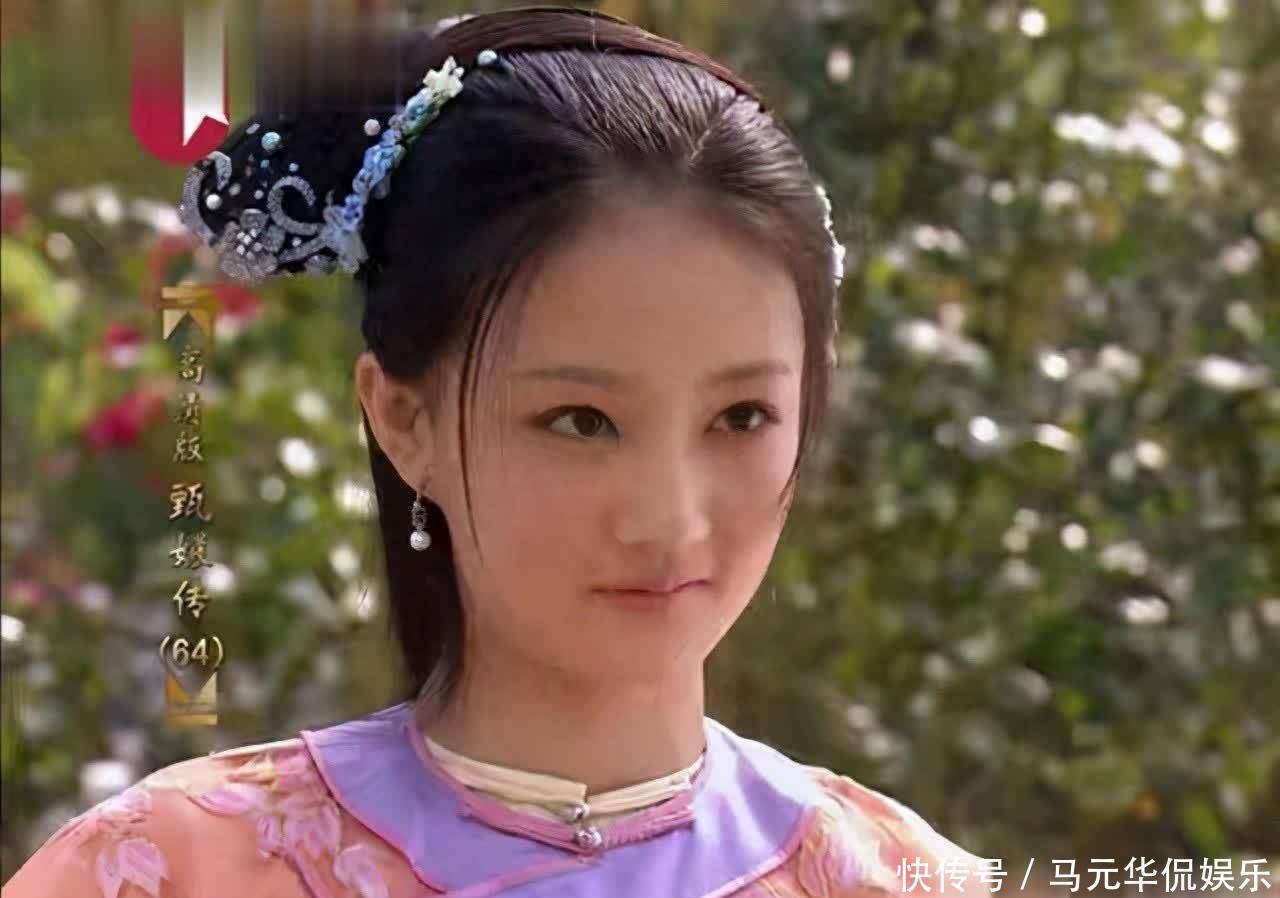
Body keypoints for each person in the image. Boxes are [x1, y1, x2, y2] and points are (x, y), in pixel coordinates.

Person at [3, 7, 995, 897]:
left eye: (740, 417)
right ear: (405, 419)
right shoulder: (165, 870)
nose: (670, 518)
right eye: (581, 420)